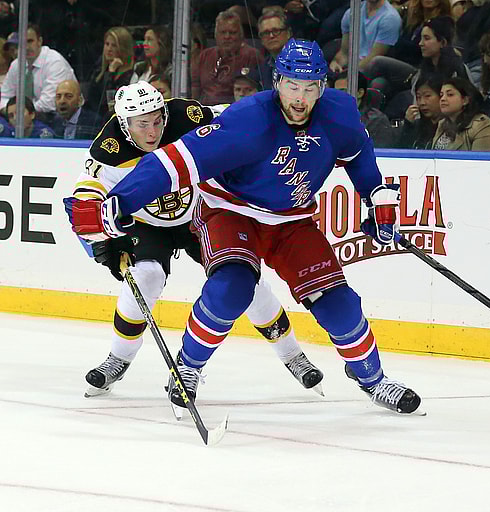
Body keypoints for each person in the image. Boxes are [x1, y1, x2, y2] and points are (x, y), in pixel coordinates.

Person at [64, 40, 422, 415]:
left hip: (291, 220)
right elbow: (170, 164)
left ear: (322, 87)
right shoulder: (247, 120)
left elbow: (358, 153)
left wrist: (377, 196)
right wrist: (121, 202)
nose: (300, 98)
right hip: (229, 211)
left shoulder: (340, 114)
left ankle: (373, 379)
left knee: (340, 305)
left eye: (309, 87)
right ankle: (187, 367)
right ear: (277, 81)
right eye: (292, 86)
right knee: (232, 288)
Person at [66, 81, 324, 400]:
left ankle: (292, 355)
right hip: (147, 225)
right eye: (142, 124)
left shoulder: (186, 116)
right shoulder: (108, 150)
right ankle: (118, 357)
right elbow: (83, 206)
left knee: (247, 283)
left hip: (200, 213)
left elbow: (238, 117)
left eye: (157, 119)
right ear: (124, 124)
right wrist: (102, 240)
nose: (153, 131)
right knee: (146, 277)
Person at [192, 9, 265, 104]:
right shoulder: (204, 55)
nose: (227, 37)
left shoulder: (252, 55)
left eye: (232, 32)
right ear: (216, 35)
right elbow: (195, 87)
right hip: (205, 110)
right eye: (223, 32)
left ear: (241, 35)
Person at [0, 24, 76, 115]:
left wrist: (20, 113)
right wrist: (9, 111)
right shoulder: (17, 64)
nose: (27, 47)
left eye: (30, 41)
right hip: (23, 117)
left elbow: (49, 103)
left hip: (56, 116)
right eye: (22, 43)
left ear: (39, 41)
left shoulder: (55, 62)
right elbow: (4, 96)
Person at [432, 76, 490, 151]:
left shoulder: (483, 126)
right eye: (441, 95)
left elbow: (479, 161)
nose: (443, 99)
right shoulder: (442, 124)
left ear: (465, 100)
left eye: (450, 94)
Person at [329, 0, 402, 73]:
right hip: (352, 69)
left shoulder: (390, 18)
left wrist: (346, 75)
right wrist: (336, 62)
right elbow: (344, 53)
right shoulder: (351, 13)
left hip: (372, 72)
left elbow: (373, 58)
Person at [84, 26, 137, 123]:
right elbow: (90, 101)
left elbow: (109, 103)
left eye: (114, 45)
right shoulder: (98, 72)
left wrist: (111, 73)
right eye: (107, 44)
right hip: (93, 122)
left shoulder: (131, 75)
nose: (109, 49)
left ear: (124, 48)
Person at [333, 70, 395, 147]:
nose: (337, 96)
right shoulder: (329, 117)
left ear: (360, 93)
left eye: (343, 91)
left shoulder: (377, 121)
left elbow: (380, 153)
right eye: (335, 92)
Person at [396, 73, 443, 149]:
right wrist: (408, 125)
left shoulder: (450, 126)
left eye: (427, 96)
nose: (422, 102)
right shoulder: (415, 126)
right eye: (418, 97)